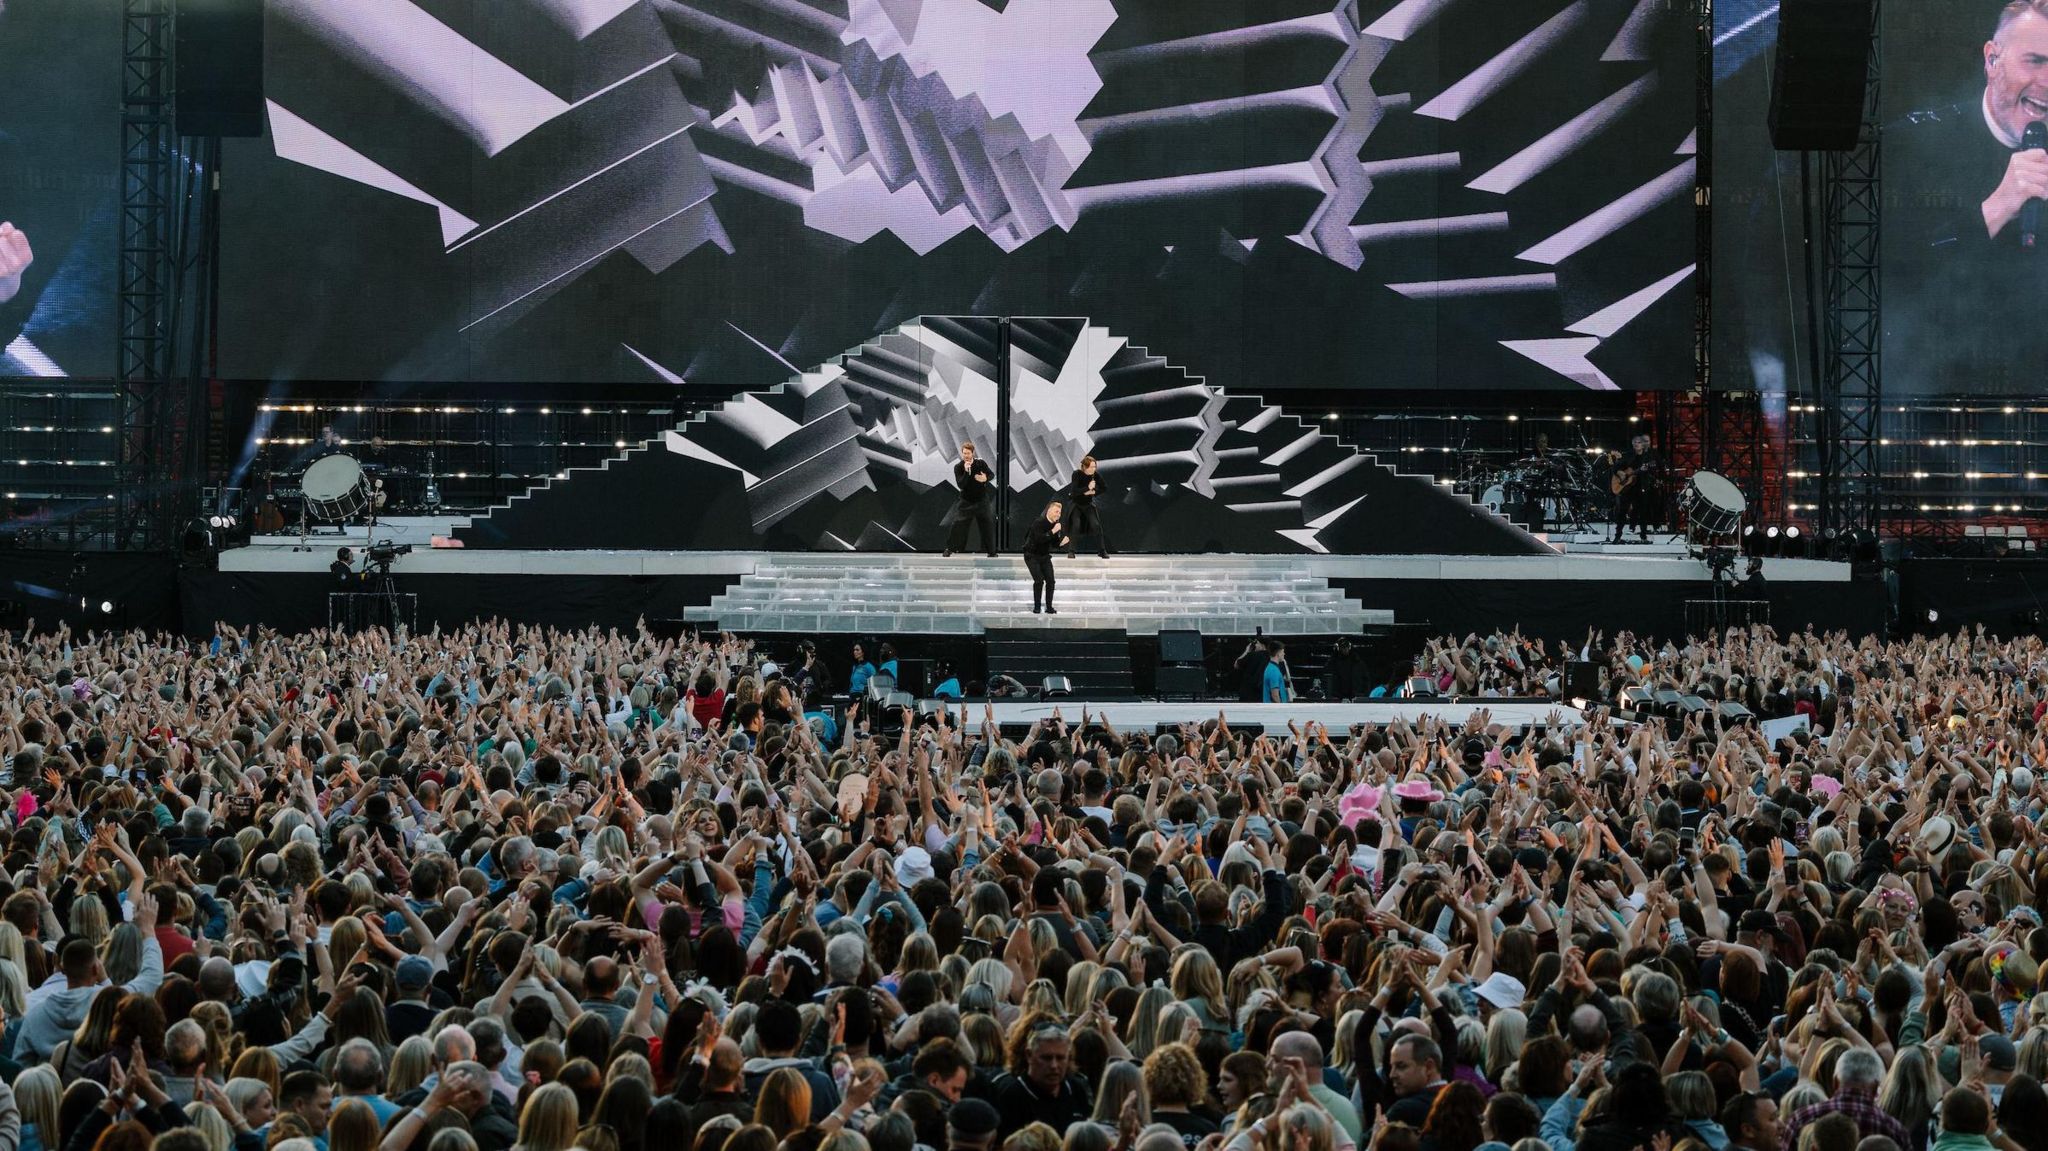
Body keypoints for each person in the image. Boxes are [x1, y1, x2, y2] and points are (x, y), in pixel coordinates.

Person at [943, 442, 997, 557]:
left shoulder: (980, 463)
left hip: (981, 500)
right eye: (964, 453)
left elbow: (991, 475)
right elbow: (961, 484)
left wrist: (985, 478)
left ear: (972, 453)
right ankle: (950, 549)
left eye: (968, 453)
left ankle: (991, 552)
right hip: (966, 501)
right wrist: (967, 472)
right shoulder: (958, 467)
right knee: (957, 525)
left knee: (987, 525)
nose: (966, 455)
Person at [1609, 434, 1660, 543]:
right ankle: (1618, 536)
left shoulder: (1648, 458)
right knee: (1622, 511)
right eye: (1635, 442)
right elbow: (1615, 467)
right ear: (1632, 444)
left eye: (1639, 442)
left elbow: (1653, 470)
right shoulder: (1628, 456)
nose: (1637, 444)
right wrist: (1621, 473)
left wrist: (1646, 470)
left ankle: (1643, 536)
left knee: (1643, 512)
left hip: (1641, 487)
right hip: (1627, 488)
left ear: (1643, 445)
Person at [1021, 501, 1070, 614]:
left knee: (1051, 581)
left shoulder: (1055, 525)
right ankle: (1037, 607)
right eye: (1056, 511)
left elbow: (1053, 544)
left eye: (1060, 512)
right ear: (1049, 511)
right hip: (1031, 555)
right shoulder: (1038, 522)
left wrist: (1062, 543)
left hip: (1044, 556)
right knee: (1039, 580)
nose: (1058, 514)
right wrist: (1054, 531)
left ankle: (1049, 607)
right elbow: (1040, 539)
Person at [1064, 456, 1110, 558]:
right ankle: (1071, 551)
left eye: (1095, 467)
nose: (1094, 469)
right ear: (1084, 467)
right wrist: (1087, 489)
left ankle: (1102, 550)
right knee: (1076, 525)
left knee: (1096, 525)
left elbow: (1104, 487)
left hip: (1088, 504)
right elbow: (1074, 491)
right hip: (1076, 504)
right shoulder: (1077, 474)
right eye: (1091, 467)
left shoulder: (1095, 475)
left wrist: (1093, 492)